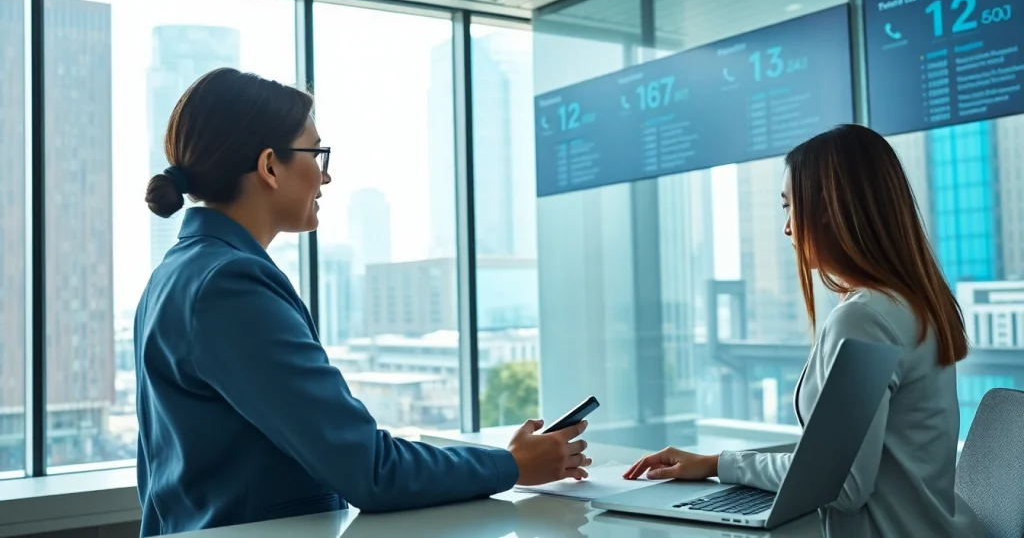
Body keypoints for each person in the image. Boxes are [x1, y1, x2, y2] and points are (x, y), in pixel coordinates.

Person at [135, 67, 591, 537]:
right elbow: (371, 471)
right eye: (317, 154)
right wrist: (511, 465)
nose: (326, 176)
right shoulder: (230, 285)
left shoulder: (178, 273)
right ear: (270, 166)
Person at [623, 124, 986, 537]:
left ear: (829, 208)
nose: (787, 227)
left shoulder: (864, 318)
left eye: (789, 206)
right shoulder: (912, 306)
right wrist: (716, 463)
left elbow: (839, 484)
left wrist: (721, 464)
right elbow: (839, 459)